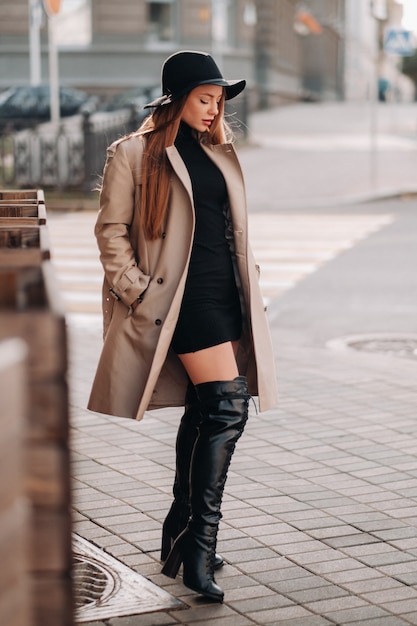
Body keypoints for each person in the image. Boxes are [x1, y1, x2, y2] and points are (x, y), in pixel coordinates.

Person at [88, 50, 278, 602]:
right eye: (205, 99)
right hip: (179, 300)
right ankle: (198, 545)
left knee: (204, 410)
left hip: (224, 293)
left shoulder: (218, 150)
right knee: (227, 406)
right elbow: (111, 230)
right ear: (176, 99)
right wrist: (136, 290)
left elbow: (229, 226)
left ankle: (180, 533)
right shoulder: (135, 154)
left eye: (219, 102)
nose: (215, 111)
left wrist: (252, 282)